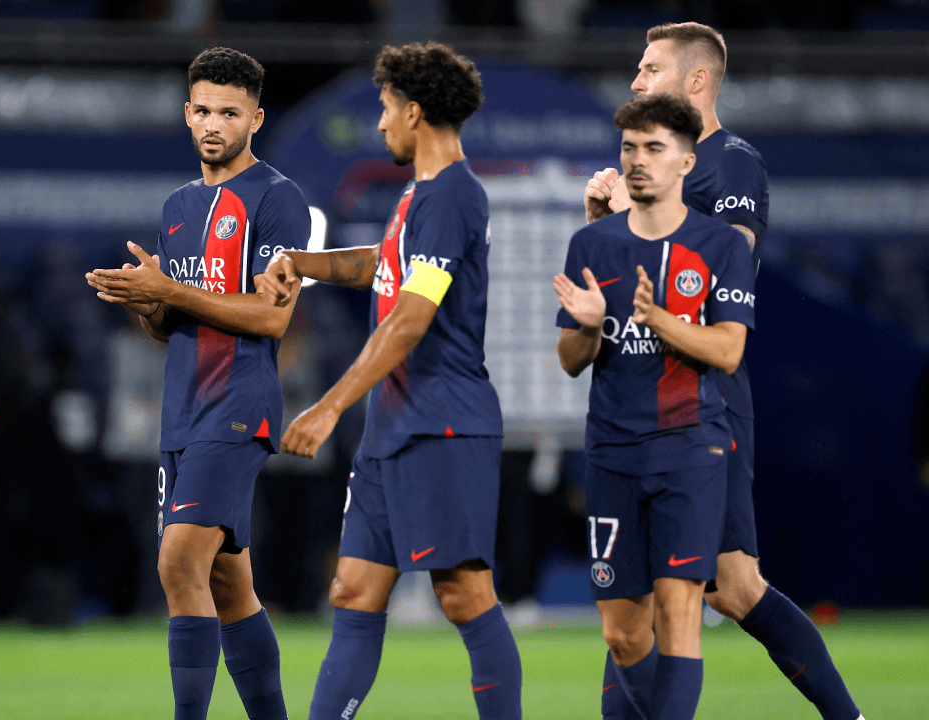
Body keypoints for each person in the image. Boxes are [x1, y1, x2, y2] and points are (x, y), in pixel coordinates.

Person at [583, 22, 864, 720]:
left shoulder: (731, 162)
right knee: (642, 606)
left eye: (650, 69)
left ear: (697, 81)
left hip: (705, 401)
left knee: (730, 588)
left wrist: (638, 213)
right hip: (635, 406)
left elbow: (725, 264)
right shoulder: (659, 169)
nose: (636, 82)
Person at [261, 41, 522, 720]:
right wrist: (303, 263)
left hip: (442, 421)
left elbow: (409, 319)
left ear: (414, 111)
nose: (379, 124)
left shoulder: (454, 195)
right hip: (394, 425)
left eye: (384, 108)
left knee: (464, 595)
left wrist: (328, 406)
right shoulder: (420, 195)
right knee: (353, 588)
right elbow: (382, 266)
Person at [85, 47, 309, 720]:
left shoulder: (278, 199)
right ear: (187, 114)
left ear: (256, 119)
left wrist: (169, 289)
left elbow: (274, 318)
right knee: (228, 585)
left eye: (230, 113)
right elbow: (171, 325)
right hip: (181, 413)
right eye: (204, 110)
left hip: (238, 405)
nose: (214, 124)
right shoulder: (178, 207)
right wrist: (148, 304)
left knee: (177, 563)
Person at [555, 93, 755, 720]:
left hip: (689, 447)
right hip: (612, 454)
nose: (638, 161)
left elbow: (726, 350)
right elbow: (569, 358)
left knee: (679, 617)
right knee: (622, 633)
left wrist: (658, 319)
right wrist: (589, 326)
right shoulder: (592, 243)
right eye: (629, 149)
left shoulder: (719, 245)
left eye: (654, 149)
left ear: (687, 163)